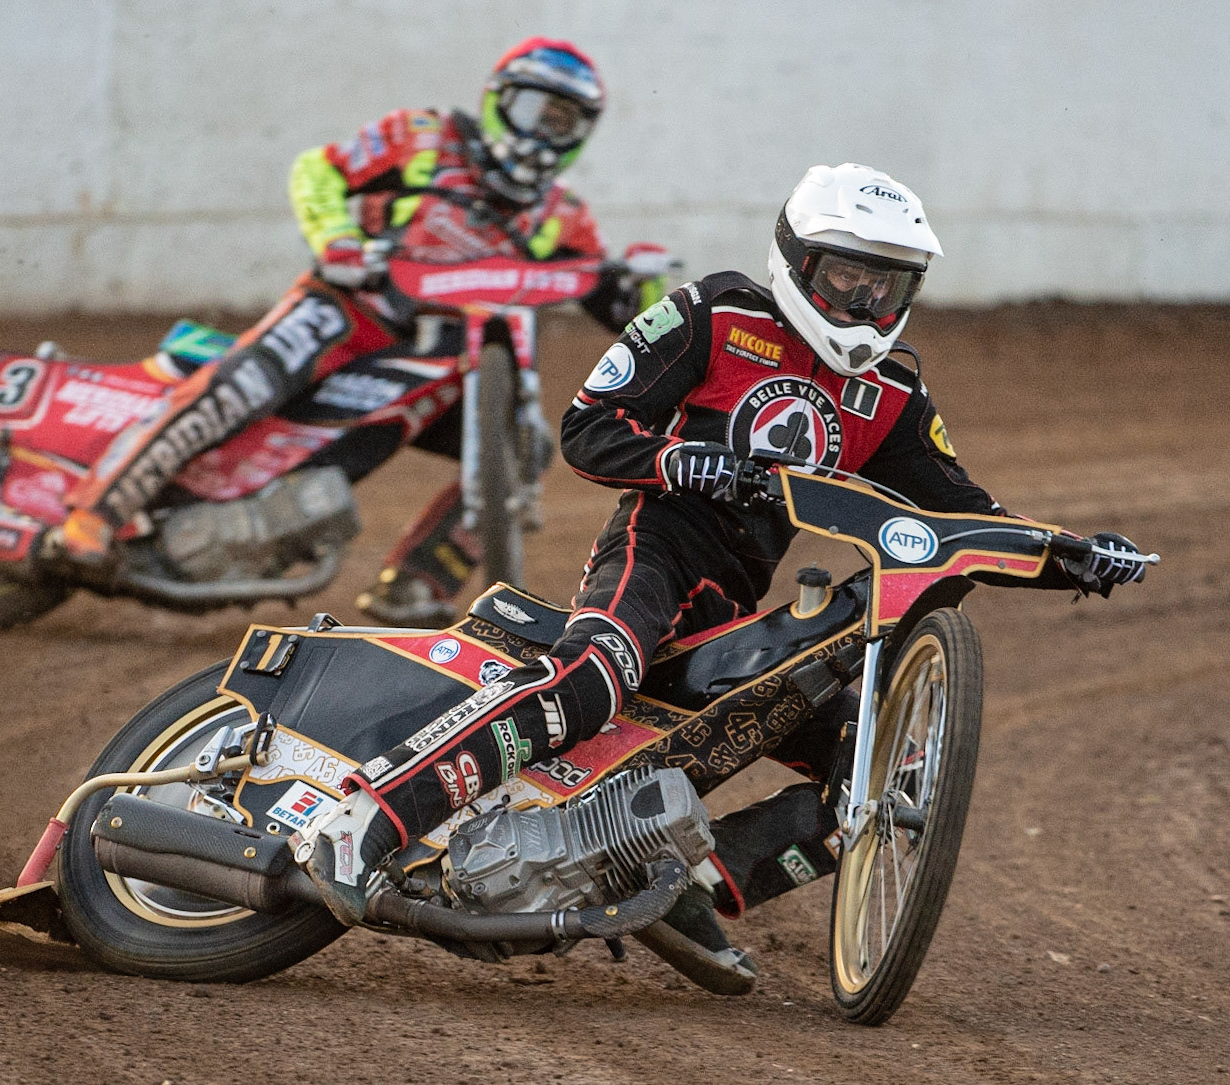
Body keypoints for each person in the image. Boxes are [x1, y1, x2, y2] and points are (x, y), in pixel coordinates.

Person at [290, 163, 1148, 987]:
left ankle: (691, 887)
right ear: (797, 260)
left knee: (886, 767)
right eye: (847, 277)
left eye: (885, 286)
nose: (864, 304)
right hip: (656, 545)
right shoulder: (713, 310)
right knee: (592, 676)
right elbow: (589, 427)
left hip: (735, 609)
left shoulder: (893, 392)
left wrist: (1069, 553)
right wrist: (680, 461)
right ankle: (366, 818)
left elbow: (963, 515)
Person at [51, 38, 669, 626]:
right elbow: (318, 169)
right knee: (237, 386)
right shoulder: (423, 136)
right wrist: (336, 239)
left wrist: (645, 284)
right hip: (346, 309)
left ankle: (416, 584)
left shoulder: (562, 214)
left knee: (526, 448)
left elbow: (623, 310)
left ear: (580, 136)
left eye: (562, 122)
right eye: (534, 110)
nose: (541, 132)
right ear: (497, 100)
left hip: (440, 364)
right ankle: (94, 513)